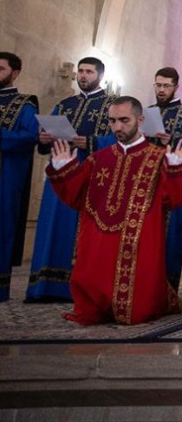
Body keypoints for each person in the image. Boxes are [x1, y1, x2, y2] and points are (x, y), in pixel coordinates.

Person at [45, 96, 182, 325]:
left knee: (138, 309)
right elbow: (75, 196)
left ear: (140, 120)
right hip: (98, 240)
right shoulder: (97, 158)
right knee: (91, 287)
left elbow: (175, 200)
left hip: (138, 243)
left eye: (124, 120)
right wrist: (63, 169)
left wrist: (176, 169)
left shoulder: (157, 158)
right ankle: (94, 305)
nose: (117, 127)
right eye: (112, 121)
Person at [27, 57, 115, 301]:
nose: (83, 76)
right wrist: (43, 139)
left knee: (80, 230)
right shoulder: (65, 105)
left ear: (100, 76)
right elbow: (45, 137)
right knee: (52, 224)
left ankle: (76, 287)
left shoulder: (112, 105)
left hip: (92, 174)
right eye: (81, 71)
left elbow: (121, 139)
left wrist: (91, 142)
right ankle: (46, 286)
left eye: (89, 72)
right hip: (59, 173)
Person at [148, 67, 182, 291]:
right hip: (147, 183)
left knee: (170, 237)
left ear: (176, 87)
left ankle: (166, 290)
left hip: (174, 184)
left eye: (166, 86)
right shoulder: (147, 113)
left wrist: (171, 140)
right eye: (158, 85)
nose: (161, 90)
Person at [0, 52, 39, 301]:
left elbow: (29, 137)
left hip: (6, 178)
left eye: (0, 69)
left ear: (14, 73)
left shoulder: (25, 105)